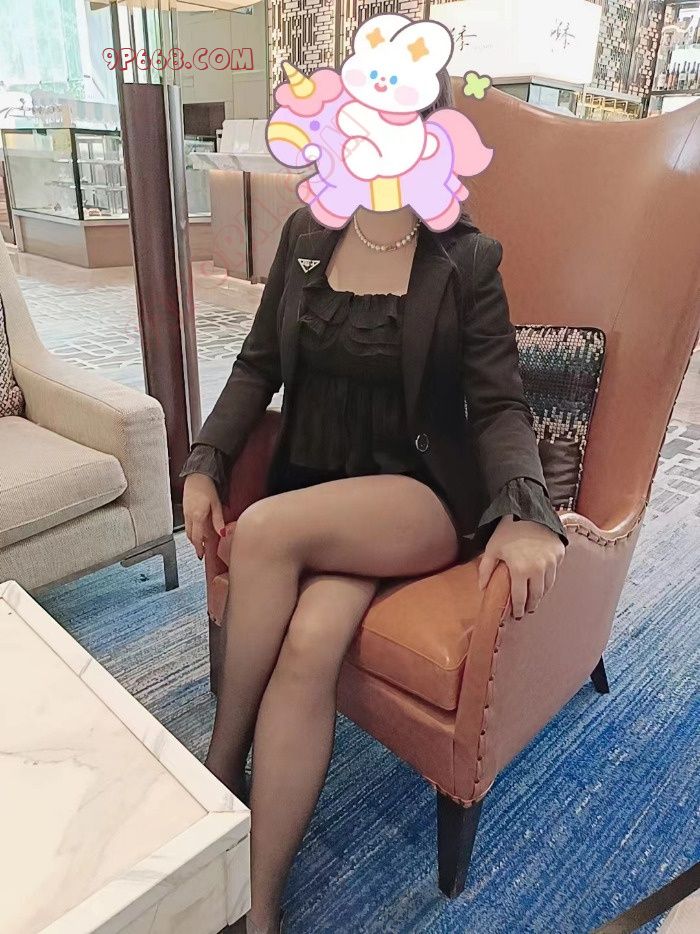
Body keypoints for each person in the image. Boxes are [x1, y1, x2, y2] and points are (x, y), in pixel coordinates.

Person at [182, 74, 568, 934]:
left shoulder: (467, 259)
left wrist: (525, 508)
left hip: (416, 499)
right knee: (311, 640)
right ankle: (257, 908)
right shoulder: (307, 232)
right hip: (317, 490)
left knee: (266, 530)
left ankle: (218, 769)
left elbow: (499, 405)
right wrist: (207, 460)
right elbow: (256, 363)